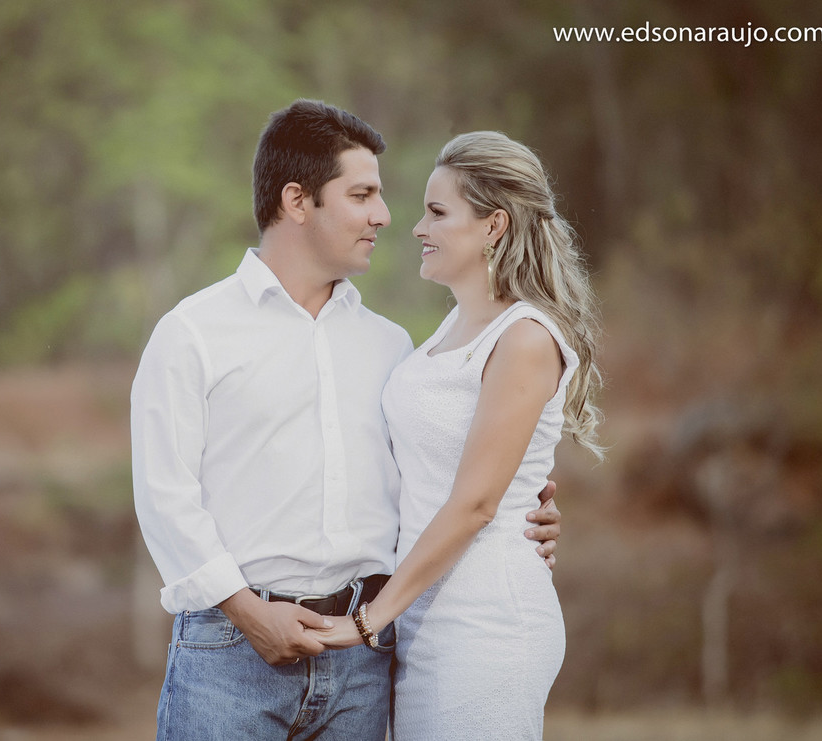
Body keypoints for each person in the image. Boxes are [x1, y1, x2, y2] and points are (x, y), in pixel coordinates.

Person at [130, 101, 562, 740]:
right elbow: (165, 496)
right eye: (362, 194)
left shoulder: (392, 347)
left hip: (363, 657)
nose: (384, 216)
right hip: (230, 655)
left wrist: (530, 503)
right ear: (298, 201)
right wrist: (247, 612)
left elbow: (445, 470)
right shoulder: (193, 333)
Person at [314, 131, 605, 739]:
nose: (417, 227)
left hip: (485, 624)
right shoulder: (454, 325)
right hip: (423, 620)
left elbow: (476, 502)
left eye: (438, 213)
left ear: (494, 226)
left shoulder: (524, 337)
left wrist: (367, 622)